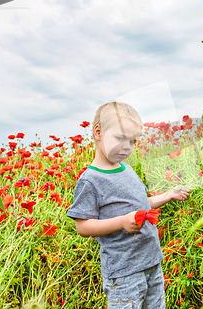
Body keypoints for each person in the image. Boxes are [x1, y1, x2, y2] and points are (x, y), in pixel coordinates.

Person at [66, 101, 191, 309]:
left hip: (152, 262)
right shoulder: (90, 180)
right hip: (124, 273)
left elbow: (141, 205)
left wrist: (168, 195)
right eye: (120, 138)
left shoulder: (127, 170)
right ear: (98, 132)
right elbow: (83, 226)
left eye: (132, 141)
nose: (127, 147)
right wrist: (121, 222)